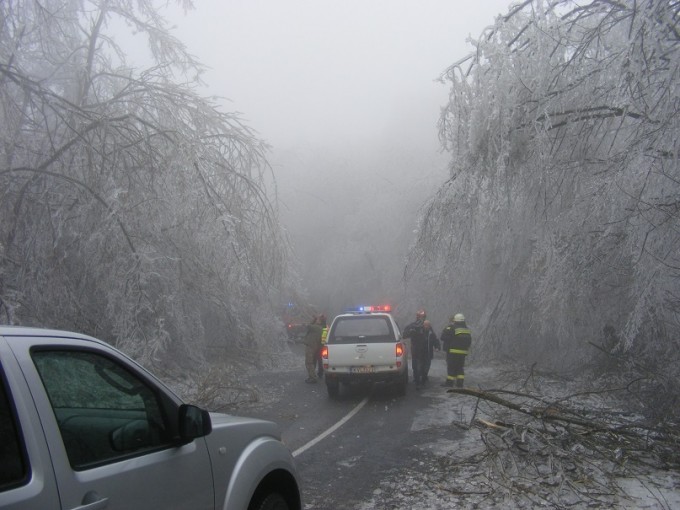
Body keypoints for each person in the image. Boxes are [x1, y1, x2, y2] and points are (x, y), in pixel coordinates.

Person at [440, 313, 472, 388]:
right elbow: (469, 340)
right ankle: (460, 383)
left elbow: (443, 337)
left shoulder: (452, 328)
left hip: (453, 352)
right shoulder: (466, 329)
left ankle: (450, 383)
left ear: (455, 320)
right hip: (463, 352)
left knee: (451, 367)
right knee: (460, 367)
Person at [402, 309, 428, 390]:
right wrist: (412, 332)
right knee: (416, 366)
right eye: (420, 316)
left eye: (423, 317)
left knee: (423, 366)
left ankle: (422, 380)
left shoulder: (427, 326)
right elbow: (405, 335)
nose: (421, 318)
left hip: (424, 350)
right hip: (416, 350)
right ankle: (417, 382)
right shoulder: (412, 326)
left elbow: (432, 337)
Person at [303, 316, 323, 383]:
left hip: (310, 346)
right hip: (314, 346)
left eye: (318, 319)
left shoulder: (316, 327)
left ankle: (312, 377)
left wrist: (313, 319)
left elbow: (308, 326)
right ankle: (312, 376)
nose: (317, 320)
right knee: (310, 362)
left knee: (309, 362)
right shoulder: (320, 328)